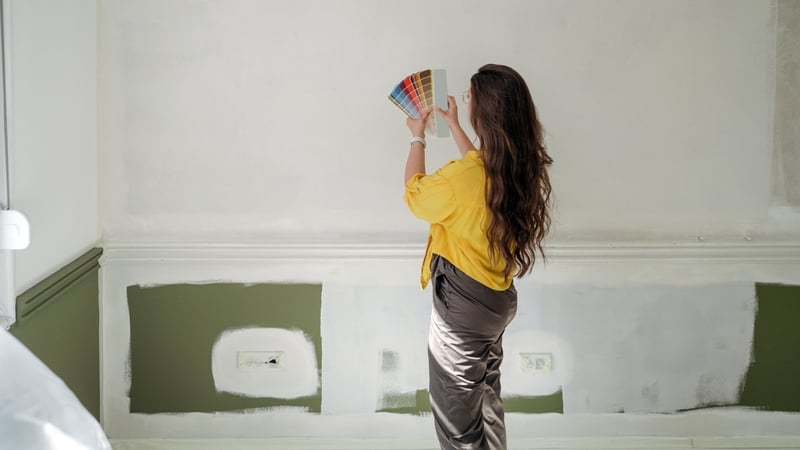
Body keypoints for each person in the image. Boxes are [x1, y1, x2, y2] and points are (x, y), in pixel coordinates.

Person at [402, 64, 553, 450]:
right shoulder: (520, 164)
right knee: (486, 403)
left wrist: (417, 139)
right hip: (495, 304)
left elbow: (416, 196)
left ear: (484, 111)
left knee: (457, 426)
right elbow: (483, 171)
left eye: (470, 98)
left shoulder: (465, 176)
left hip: (462, 309)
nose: (466, 102)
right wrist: (454, 126)